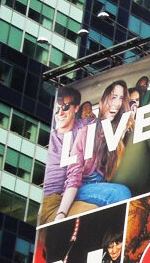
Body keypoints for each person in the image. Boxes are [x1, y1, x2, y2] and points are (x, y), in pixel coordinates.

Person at [56, 81, 133, 220]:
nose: (116, 103)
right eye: (113, 97)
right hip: (82, 187)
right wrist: (61, 213)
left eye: (121, 98)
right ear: (103, 101)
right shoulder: (86, 132)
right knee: (121, 194)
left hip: (104, 184)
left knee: (125, 191)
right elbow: (74, 175)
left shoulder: (121, 131)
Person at [39, 86, 84, 224]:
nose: (60, 113)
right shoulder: (51, 139)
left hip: (72, 192)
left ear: (76, 108)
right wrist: (61, 214)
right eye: (57, 109)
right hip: (50, 200)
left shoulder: (84, 128)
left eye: (65, 107)